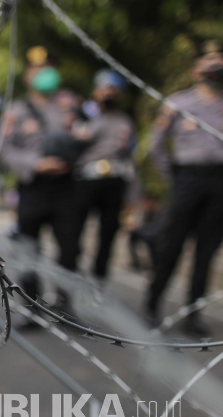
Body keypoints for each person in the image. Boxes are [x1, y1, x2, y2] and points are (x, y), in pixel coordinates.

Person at [145, 40, 223, 336]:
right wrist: (174, 177)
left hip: (220, 179)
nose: (216, 64)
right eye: (210, 59)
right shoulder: (178, 103)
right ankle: (151, 306)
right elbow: (155, 146)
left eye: (221, 59)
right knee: (170, 246)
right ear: (196, 68)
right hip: (187, 179)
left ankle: (193, 315)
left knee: (207, 252)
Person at [1, 46, 83, 325]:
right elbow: (5, 150)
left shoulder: (71, 104)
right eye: (35, 68)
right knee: (28, 249)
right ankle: (33, 308)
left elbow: (92, 135)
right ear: (27, 76)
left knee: (70, 248)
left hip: (66, 187)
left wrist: (76, 151)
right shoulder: (17, 110)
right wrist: (36, 163)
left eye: (47, 67)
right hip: (33, 187)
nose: (41, 73)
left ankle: (66, 307)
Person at [70, 69, 136, 284]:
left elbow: (130, 156)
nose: (108, 93)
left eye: (113, 89)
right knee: (74, 231)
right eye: (104, 89)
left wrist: (135, 196)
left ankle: (99, 280)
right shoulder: (83, 116)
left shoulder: (125, 121)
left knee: (108, 234)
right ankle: (70, 277)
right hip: (86, 180)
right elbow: (74, 143)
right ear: (95, 91)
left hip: (114, 181)